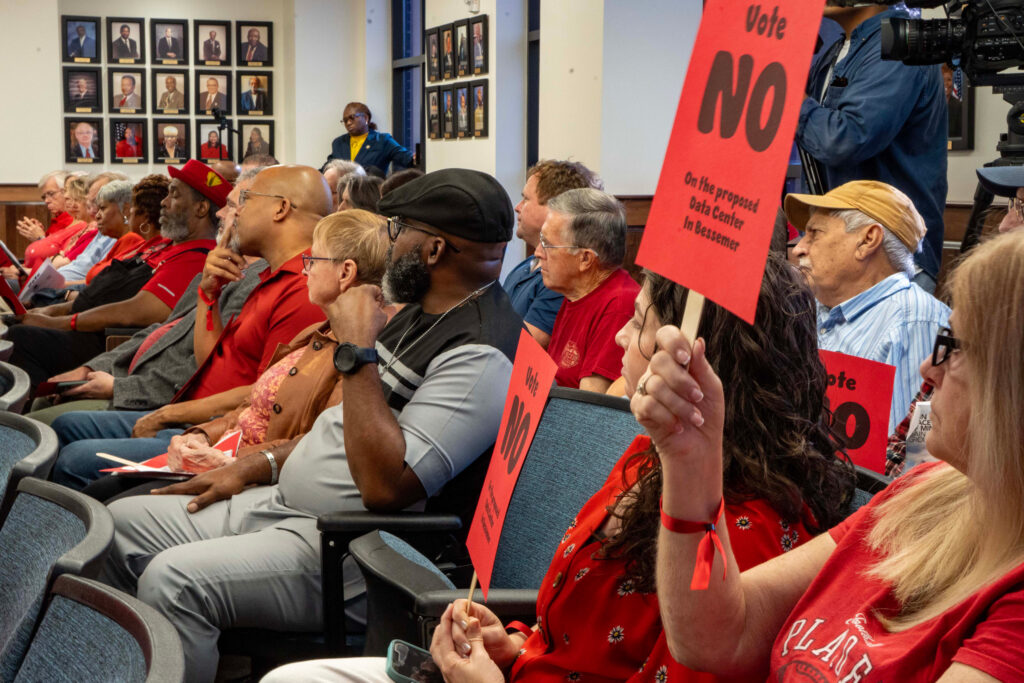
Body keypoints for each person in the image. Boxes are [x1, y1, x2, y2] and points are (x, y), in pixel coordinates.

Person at [262, 255, 856, 683]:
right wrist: (514, 644)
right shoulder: (650, 455)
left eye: (640, 320)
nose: (622, 331)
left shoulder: (741, 535)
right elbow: (582, 646)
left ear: (693, 361)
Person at [98, 168, 522, 682]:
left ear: (432, 250)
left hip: (354, 550)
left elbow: (386, 487)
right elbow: (344, 425)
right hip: (284, 503)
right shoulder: (423, 310)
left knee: (174, 580)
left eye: (395, 230)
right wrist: (259, 463)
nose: (386, 245)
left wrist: (357, 350)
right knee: (114, 526)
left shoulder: (480, 353)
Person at [632, 229, 1024, 682]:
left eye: (952, 347)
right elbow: (713, 635)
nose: (928, 368)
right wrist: (693, 465)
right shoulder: (922, 495)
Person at [78, 208, 390, 502]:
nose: (305, 266)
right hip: (217, 442)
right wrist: (199, 435)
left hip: (246, 473)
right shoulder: (312, 329)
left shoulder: (349, 349)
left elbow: (310, 443)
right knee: (100, 483)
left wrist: (224, 454)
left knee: (97, 486)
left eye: (314, 259)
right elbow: (246, 403)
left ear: (346, 272)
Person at [48, 165, 330, 488]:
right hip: (195, 417)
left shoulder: (305, 288)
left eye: (246, 199)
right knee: (67, 426)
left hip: (218, 435)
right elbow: (209, 360)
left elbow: (268, 395)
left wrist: (168, 414)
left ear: (280, 208)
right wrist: (207, 295)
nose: (226, 212)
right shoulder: (267, 276)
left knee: (73, 460)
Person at [35, 169, 273, 426]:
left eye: (231, 206)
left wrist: (121, 387)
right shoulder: (214, 268)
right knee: (41, 398)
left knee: (48, 417)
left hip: (159, 400)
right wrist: (92, 368)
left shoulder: (234, 274)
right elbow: (160, 331)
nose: (220, 214)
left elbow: (209, 371)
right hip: (129, 373)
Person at [8, 161, 225, 387]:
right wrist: (53, 312)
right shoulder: (167, 246)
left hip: (113, 342)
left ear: (200, 209)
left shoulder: (197, 258)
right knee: (20, 329)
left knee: (21, 338)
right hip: (91, 327)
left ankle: (23, 414)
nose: (164, 202)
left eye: (174, 195)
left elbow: (136, 311)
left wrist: (61, 322)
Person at [885, 163, 1024, 477]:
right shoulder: (971, 317)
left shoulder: (914, 317)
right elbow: (897, 457)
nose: (1004, 225)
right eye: (1010, 206)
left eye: (1022, 208)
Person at [797, 3, 947, 293]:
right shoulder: (839, 50)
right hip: (839, 255)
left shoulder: (902, 43)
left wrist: (789, 98)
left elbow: (845, 140)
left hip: (886, 264)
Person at [786, 180, 949, 431]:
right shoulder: (811, 308)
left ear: (867, 240)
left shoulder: (915, 321)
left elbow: (913, 453)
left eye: (814, 233)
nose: (798, 249)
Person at [540, 188, 638, 392]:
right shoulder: (575, 292)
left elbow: (589, 405)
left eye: (547, 245)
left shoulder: (619, 306)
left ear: (585, 258)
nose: (537, 253)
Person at [503, 160, 603, 349]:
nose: (517, 206)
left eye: (526, 199)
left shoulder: (558, 277)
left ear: (554, 208)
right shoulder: (528, 265)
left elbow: (521, 348)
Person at [326, 102, 414, 174]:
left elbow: (406, 157)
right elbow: (328, 167)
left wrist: (418, 157)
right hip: (343, 193)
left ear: (366, 118)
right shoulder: (338, 143)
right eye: (345, 120)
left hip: (371, 191)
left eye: (352, 118)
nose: (348, 123)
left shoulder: (382, 140)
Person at [15, 171, 72, 244]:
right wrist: (38, 232)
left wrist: (40, 238)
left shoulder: (74, 221)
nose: (46, 201)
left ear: (67, 192)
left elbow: (62, 253)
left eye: (51, 194)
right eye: (44, 197)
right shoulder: (58, 219)